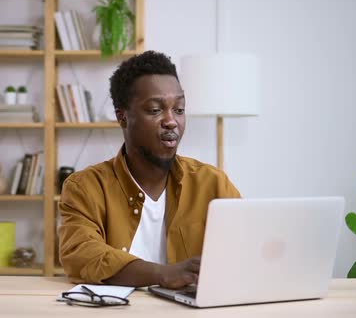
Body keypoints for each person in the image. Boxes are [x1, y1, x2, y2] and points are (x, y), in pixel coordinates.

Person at [58, 50, 240, 289]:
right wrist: (163, 274)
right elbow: (81, 255)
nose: (171, 120)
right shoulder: (86, 187)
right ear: (122, 117)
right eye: (155, 110)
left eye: (179, 109)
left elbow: (247, 250)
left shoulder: (213, 183)